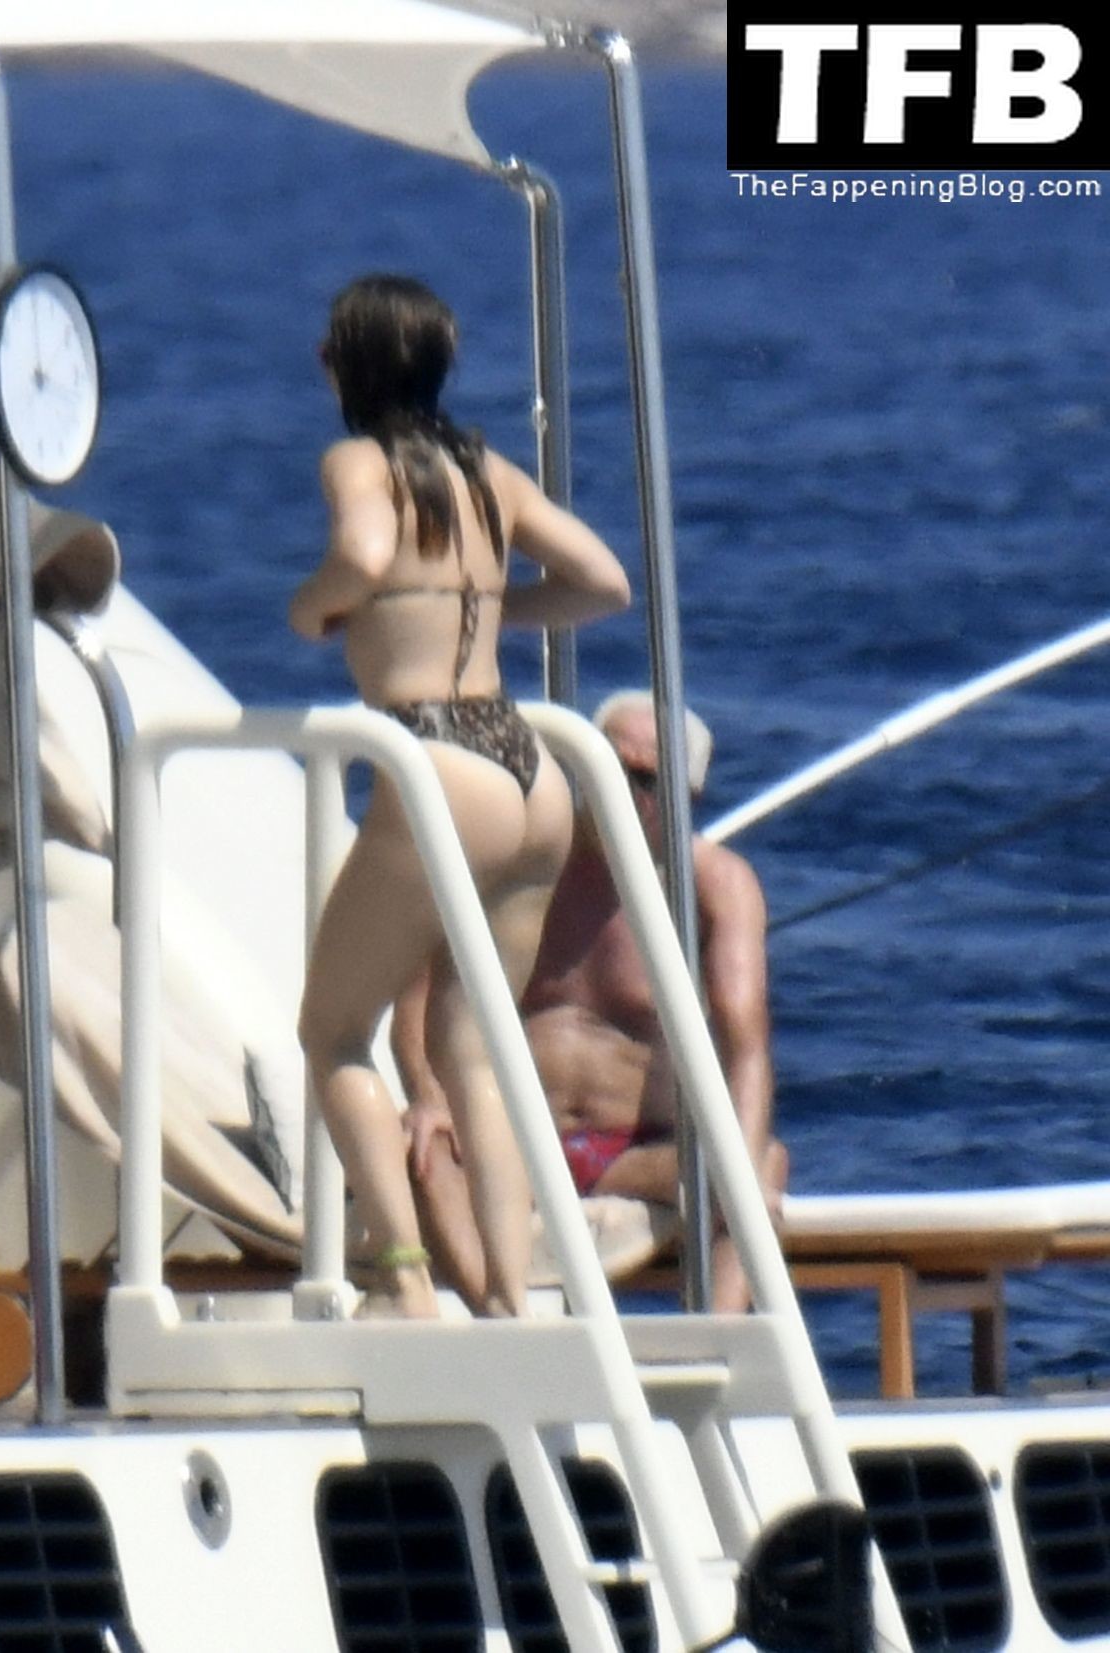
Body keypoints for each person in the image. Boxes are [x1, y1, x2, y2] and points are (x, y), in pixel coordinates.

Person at [290, 274, 631, 1318]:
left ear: (346, 365)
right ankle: (513, 1297)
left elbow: (362, 554)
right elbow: (603, 582)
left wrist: (312, 611)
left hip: (436, 755)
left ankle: (405, 1279)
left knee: (333, 1032)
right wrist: (491, 603)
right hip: (527, 763)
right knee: (477, 1052)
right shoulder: (492, 472)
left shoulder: (359, 461)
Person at [396, 690, 786, 1313]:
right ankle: (502, 1321)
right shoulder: (512, 865)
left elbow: (748, 1047)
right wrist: (427, 1095)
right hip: (513, 1141)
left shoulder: (716, 888)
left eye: (645, 780)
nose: (622, 791)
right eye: (608, 768)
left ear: (686, 796)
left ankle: (714, 1343)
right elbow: (414, 1005)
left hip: (637, 1152)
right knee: (421, 1149)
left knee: (759, 1164)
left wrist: (737, 1162)